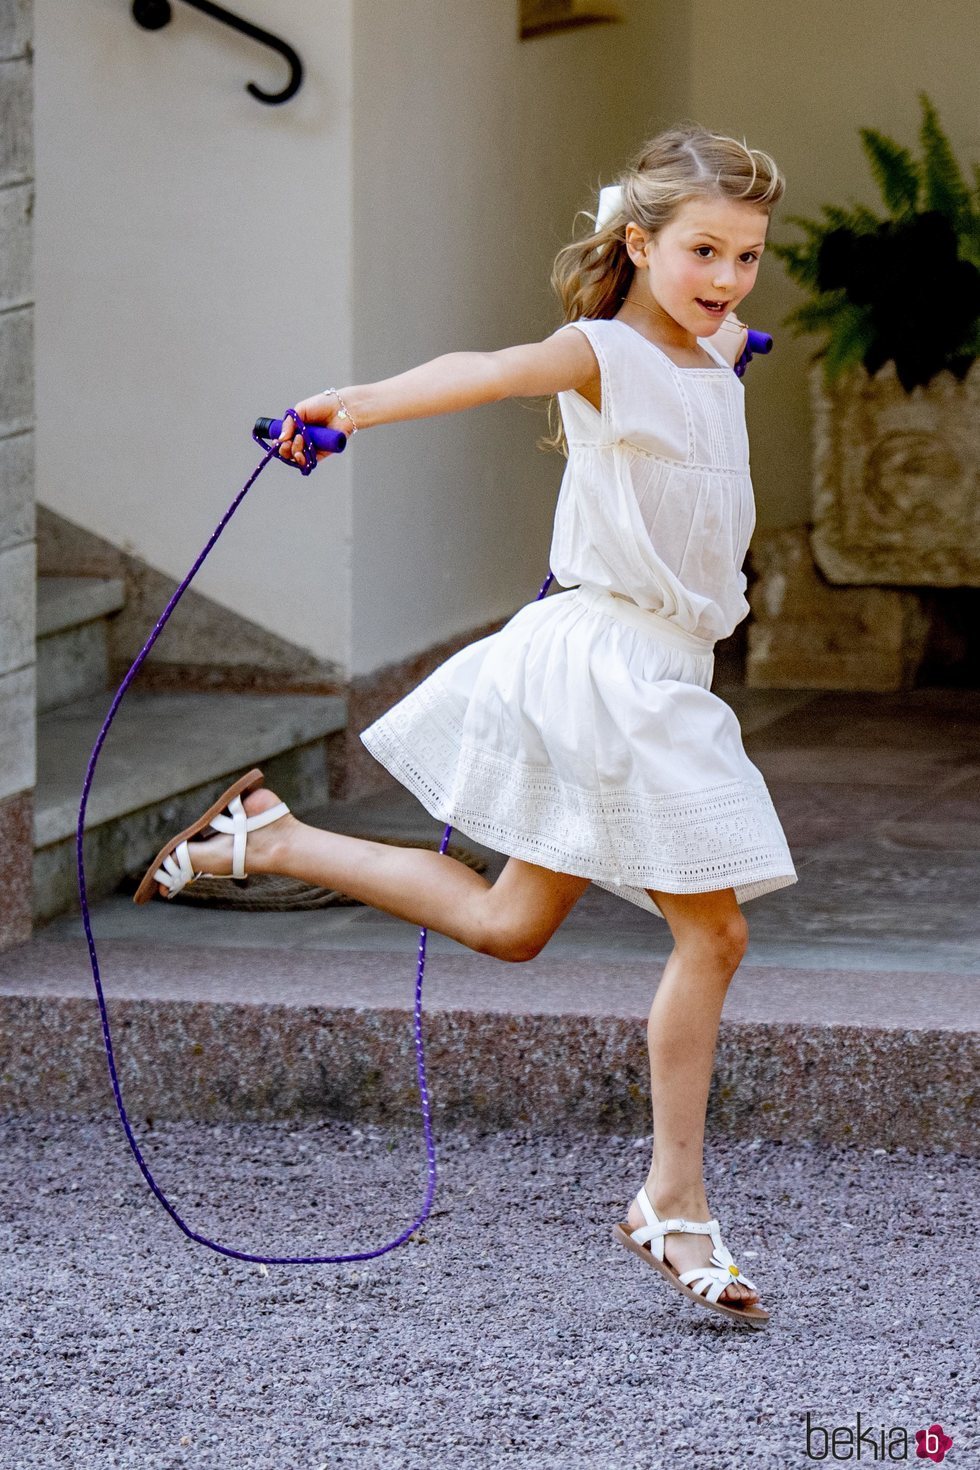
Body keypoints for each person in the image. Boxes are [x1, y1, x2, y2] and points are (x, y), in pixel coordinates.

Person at [137, 124, 797, 1328]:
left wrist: (718, 344)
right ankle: (672, 1198)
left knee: (506, 925)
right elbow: (486, 369)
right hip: (608, 672)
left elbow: (700, 401)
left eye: (747, 257)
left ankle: (267, 837)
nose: (725, 279)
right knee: (716, 936)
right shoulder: (597, 350)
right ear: (638, 244)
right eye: (703, 251)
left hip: (660, 674)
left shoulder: (712, 352)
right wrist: (353, 406)